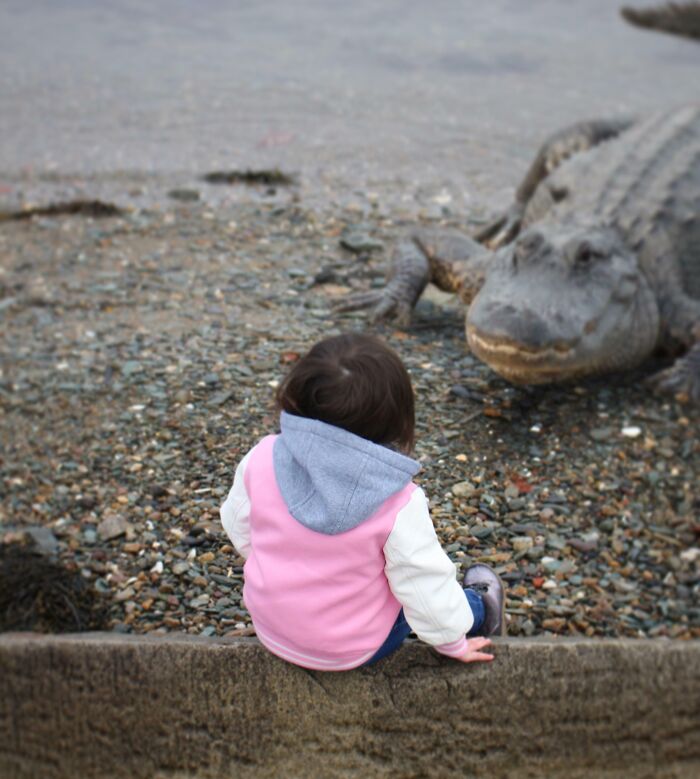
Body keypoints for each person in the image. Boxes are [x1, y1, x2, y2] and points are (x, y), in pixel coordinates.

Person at [220, 333, 505, 671]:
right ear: (395, 419)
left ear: (296, 393)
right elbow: (422, 584)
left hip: (272, 629)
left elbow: (238, 525)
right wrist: (452, 642)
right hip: (355, 649)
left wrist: (281, 564)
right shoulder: (398, 501)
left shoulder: (262, 456)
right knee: (420, 592)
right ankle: (484, 609)